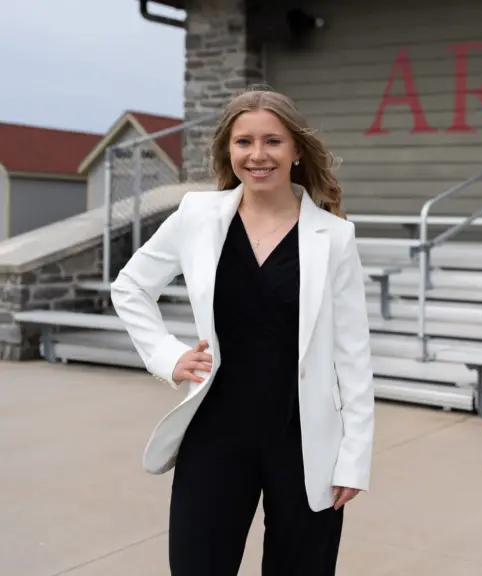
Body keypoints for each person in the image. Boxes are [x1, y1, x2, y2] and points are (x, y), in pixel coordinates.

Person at [109, 87, 374, 575]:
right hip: (214, 434)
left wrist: (354, 457)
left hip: (304, 442)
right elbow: (130, 287)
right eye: (243, 142)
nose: (257, 155)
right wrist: (167, 356)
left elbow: (353, 356)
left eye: (272, 141)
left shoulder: (334, 238)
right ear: (227, 151)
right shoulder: (197, 217)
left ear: (296, 150)